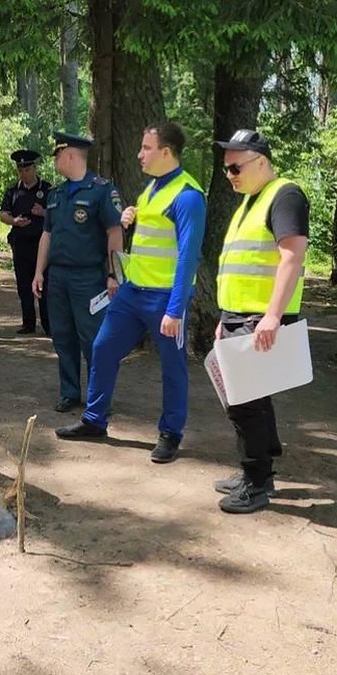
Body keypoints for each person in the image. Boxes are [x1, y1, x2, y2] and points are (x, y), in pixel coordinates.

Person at [56, 122, 206, 464]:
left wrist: (176, 309)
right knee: (103, 348)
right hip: (132, 293)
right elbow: (155, 231)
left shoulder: (188, 195)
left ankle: (170, 434)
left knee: (173, 366)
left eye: (147, 148)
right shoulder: (152, 188)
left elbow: (187, 257)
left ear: (166, 152)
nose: (140, 154)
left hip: (165, 298)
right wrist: (131, 216)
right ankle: (95, 421)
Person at [210, 129, 309, 514]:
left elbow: (292, 256)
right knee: (252, 397)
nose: (230, 175)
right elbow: (239, 266)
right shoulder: (251, 201)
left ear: (261, 162)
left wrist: (272, 315)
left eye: (235, 167)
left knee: (243, 402)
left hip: (260, 317)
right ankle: (259, 471)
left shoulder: (284, 195)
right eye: (226, 170)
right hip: (239, 316)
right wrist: (224, 317)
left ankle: (256, 482)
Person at [32, 132, 123, 412]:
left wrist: (113, 274)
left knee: (93, 338)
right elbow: (47, 235)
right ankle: (69, 392)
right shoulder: (55, 194)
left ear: (70, 155)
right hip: (58, 277)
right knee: (63, 336)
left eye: (58, 155)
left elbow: (114, 232)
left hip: (89, 278)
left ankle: (99, 399)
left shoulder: (101, 190)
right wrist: (39, 272)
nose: (56, 160)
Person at [0, 149, 51, 335]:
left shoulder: (47, 189)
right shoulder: (12, 191)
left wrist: (43, 212)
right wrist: (14, 221)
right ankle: (28, 323)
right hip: (20, 244)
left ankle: (48, 324)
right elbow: (3, 214)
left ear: (34, 168)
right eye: (20, 170)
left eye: (27, 169)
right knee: (23, 284)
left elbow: (59, 213)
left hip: (42, 245)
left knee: (45, 285)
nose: (24, 173)